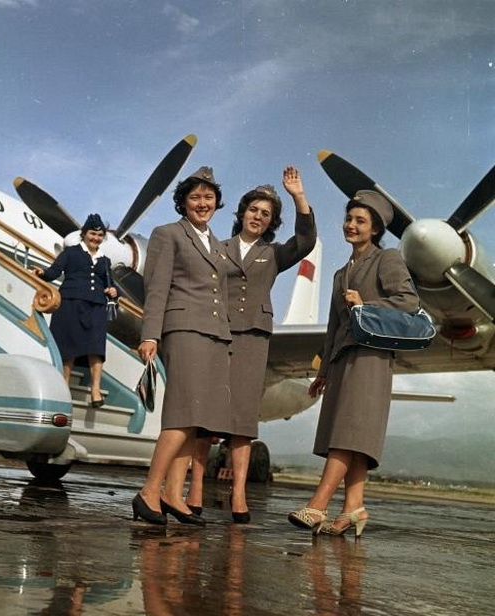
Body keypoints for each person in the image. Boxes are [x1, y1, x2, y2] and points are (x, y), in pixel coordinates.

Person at [185, 166, 317, 523]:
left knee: (243, 419)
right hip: (217, 335)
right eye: (253, 210)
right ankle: (194, 490)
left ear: (271, 222)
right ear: (242, 212)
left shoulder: (273, 254)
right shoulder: (217, 248)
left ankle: (240, 494)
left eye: (266, 214)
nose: (258, 216)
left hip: (253, 339)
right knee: (206, 418)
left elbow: (306, 241)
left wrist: (298, 196)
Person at [288, 190, 419, 537]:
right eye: (349, 218)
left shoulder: (387, 258)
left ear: (375, 229)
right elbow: (334, 328)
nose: (351, 225)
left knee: (345, 433)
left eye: (361, 221)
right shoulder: (340, 274)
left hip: (371, 358)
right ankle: (354, 508)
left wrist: (367, 305)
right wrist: (322, 371)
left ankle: (317, 505)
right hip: (343, 359)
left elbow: (408, 302)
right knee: (353, 433)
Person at [132, 166, 231, 526]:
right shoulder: (168, 234)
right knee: (182, 413)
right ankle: (149, 491)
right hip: (184, 329)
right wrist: (150, 334)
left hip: (214, 335)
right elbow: (156, 288)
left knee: (196, 419)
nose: (202, 203)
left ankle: (174, 494)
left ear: (217, 202)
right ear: (183, 202)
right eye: (195, 197)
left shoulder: (217, 244)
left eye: (209, 197)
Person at [31, 214, 118, 408]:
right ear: (84, 234)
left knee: (96, 348)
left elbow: (109, 283)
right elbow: (54, 271)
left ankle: (95, 390)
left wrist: (114, 291)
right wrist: (42, 273)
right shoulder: (70, 253)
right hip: (71, 303)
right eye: (92, 234)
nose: (96, 238)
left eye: (100, 235)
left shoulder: (105, 260)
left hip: (96, 306)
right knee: (68, 347)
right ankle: (63, 387)